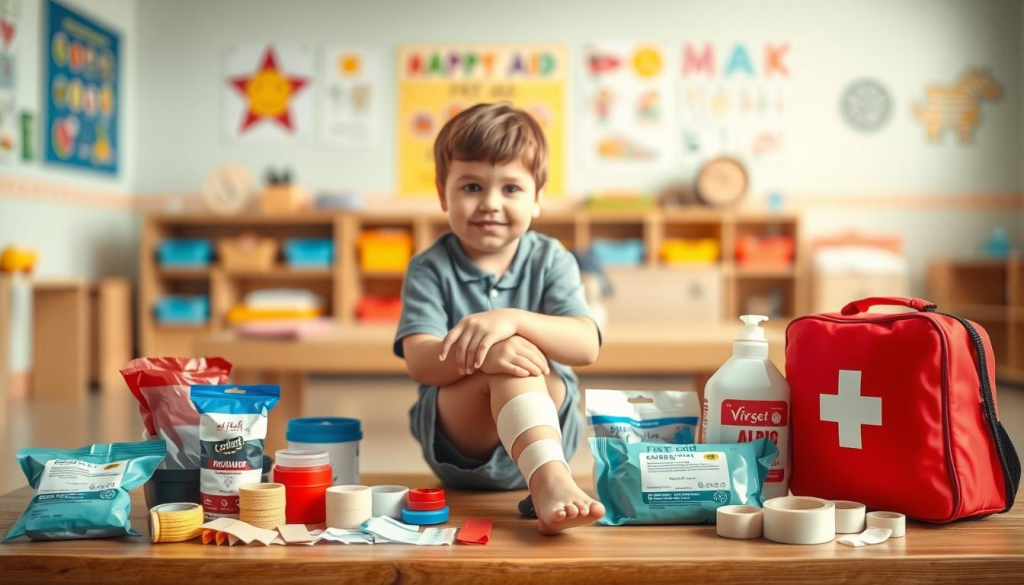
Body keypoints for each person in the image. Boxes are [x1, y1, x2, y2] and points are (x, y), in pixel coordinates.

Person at [394, 102, 605, 534]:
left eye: (510, 189)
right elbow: (420, 361)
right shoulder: (429, 267)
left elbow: (586, 346)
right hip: (461, 447)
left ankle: (548, 477)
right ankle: (550, 480)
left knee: (517, 356)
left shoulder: (551, 259)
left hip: (551, 430)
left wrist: (512, 320)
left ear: (538, 198)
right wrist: (486, 357)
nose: (490, 203)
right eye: (471, 187)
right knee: (508, 359)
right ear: (442, 193)